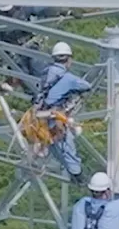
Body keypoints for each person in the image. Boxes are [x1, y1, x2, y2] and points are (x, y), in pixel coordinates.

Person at [34, 41, 91, 184]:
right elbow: (86, 86)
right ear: (69, 59)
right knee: (67, 144)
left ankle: (71, 169)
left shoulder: (46, 72)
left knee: (53, 142)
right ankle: (77, 175)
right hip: (55, 115)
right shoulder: (68, 78)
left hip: (41, 113)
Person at [0, 0, 52, 94]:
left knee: (39, 67)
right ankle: (35, 96)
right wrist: (2, 61)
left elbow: (43, 10)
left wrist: (64, 12)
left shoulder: (24, 9)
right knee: (24, 76)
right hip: (15, 52)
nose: (9, 11)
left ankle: (47, 92)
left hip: (30, 45)